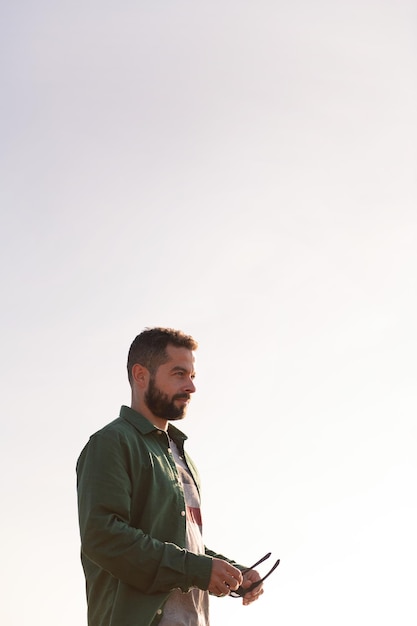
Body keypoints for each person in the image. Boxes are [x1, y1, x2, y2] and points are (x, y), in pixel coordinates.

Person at [76, 327, 264, 626]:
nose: (191, 387)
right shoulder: (112, 442)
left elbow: (182, 545)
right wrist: (198, 569)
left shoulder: (181, 455)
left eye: (192, 376)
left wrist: (232, 572)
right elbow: (103, 537)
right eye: (179, 374)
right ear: (141, 375)